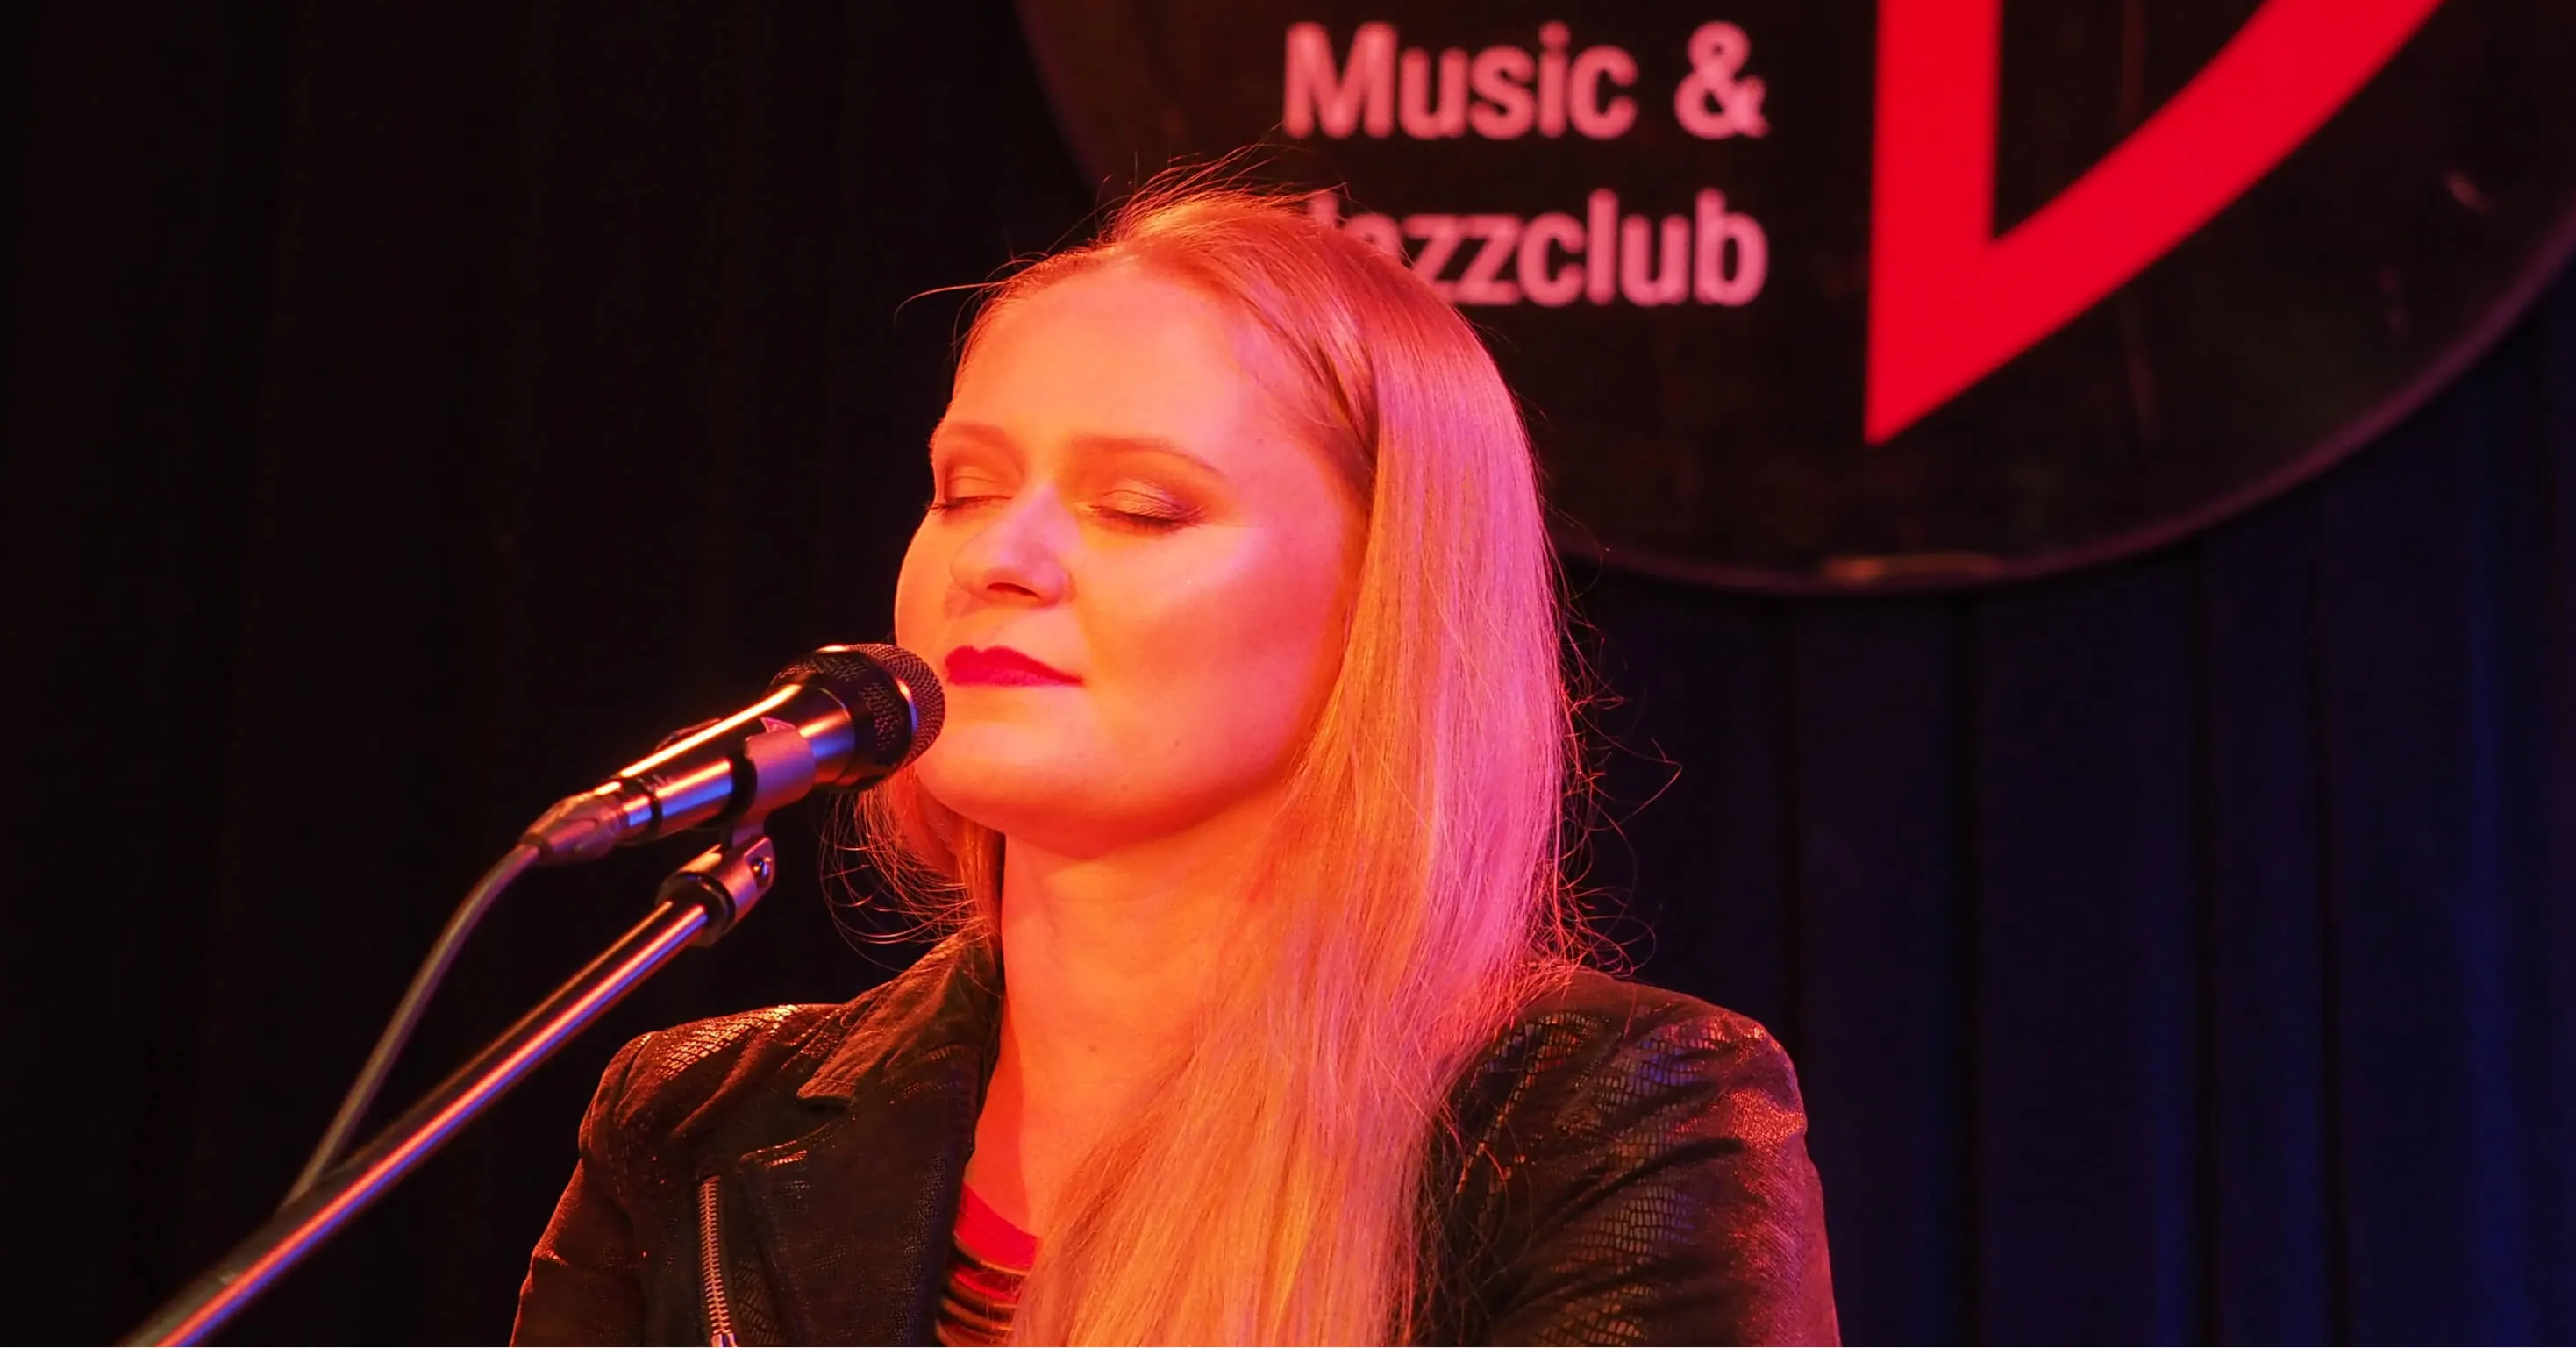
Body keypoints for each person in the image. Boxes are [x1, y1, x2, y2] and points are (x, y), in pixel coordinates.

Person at [510, 177, 1837, 1345]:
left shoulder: (1609, 1127)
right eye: (966, 489)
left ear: (1384, 606)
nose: (999, 557)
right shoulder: (692, 1124)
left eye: (1140, 507)